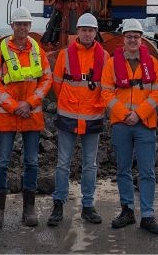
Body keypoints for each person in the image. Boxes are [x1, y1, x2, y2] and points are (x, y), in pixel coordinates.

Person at [0, 6, 53, 228]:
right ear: (12, 26)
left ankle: (29, 209)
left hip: (31, 115)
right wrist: (14, 106)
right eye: (18, 24)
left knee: (32, 162)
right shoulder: (0, 52)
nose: (22, 27)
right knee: (1, 163)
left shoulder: (38, 51)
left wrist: (30, 103)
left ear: (30, 26)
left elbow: (46, 79)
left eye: (25, 24)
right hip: (8, 115)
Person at [100, 19, 158, 234]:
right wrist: (124, 114)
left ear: (141, 39)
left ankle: (147, 215)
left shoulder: (152, 63)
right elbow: (106, 92)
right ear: (123, 39)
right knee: (123, 170)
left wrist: (139, 114)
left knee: (147, 171)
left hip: (145, 124)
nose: (132, 40)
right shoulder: (112, 63)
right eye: (129, 37)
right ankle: (127, 210)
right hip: (122, 124)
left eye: (136, 37)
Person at [46, 13, 107, 227]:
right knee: (63, 163)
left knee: (90, 164)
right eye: (84, 30)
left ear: (95, 32)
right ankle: (58, 204)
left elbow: (107, 86)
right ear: (78, 31)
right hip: (68, 116)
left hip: (93, 117)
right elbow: (57, 83)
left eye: (91, 30)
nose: (87, 34)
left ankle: (88, 206)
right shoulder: (65, 55)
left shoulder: (104, 56)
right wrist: (68, 102)